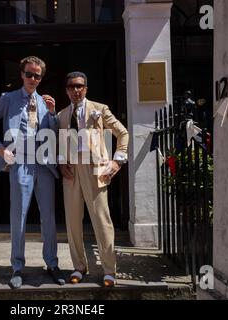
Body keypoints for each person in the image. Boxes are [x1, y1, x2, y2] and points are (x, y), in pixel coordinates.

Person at [0, 56, 65, 289]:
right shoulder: (8, 99)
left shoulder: (44, 101)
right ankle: (17, 266)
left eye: (37, 75)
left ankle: (52, 264)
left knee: (48, 217)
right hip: (20, 163)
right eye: (29, 74)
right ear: (22, 74)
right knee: (19, 217)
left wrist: (53, 113)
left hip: (44, 165)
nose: (33, 79)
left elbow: (55, 133)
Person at [56, 71, 129, 287]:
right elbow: (61, 142)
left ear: (86, 88)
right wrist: (61, 163)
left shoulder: (100, 109)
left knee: (101, 220)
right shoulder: (61, 115)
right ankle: (79, 266)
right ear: (66, 90)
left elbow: (122, 133)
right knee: (72, 221)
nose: (75, 90)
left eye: (79, 86)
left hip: (94, 169)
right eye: (71, 86)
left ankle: (109, 270)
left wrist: (117, 161)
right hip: (71, 172)